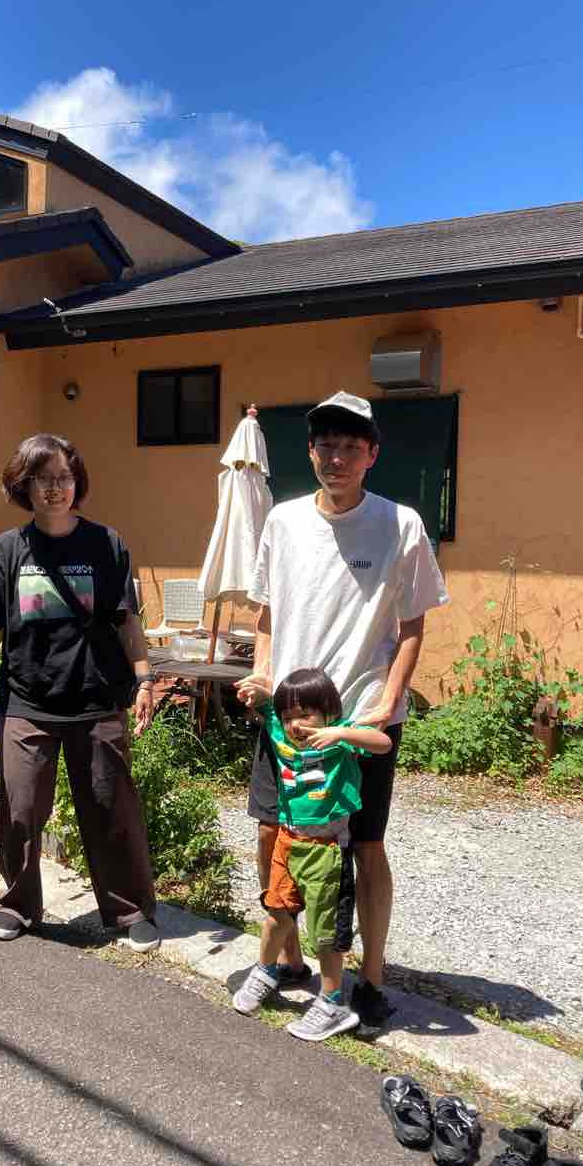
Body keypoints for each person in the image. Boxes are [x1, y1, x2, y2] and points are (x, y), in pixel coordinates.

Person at [243, 391, 448, 1033]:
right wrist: (262, 671)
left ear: (371, 455)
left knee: (365, 845)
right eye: (325, 446)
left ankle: (372, 978)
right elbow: (267, 613)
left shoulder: (401, 524)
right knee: (274, 832)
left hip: (360, 716)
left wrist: (389, 698)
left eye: (350, 447)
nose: (336, 458)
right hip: (287, 717)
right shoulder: (283, 521)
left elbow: (412, 624)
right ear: (310, 452)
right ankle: (289, 960)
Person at [0, 433, 160, 951]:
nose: (55, 488)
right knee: (20, 810)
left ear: (77, 482)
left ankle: (130, 910)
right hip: (28, 702)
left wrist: (144, 679)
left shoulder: (106, 544)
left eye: (64, 477)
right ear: (24, 486)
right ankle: (18, 904)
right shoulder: (7, 551)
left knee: (111, 807)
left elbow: (126, 619)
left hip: (96, 699)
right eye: (43, 479)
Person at [233, 667, 392, 1042]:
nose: (296, 724)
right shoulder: (281, 733)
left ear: (328, 714)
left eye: (306, 715)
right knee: (276, 914)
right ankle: (265, 971)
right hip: (288, 843)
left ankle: (333, 1002)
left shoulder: (340, 740)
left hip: (327, 852)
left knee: (325, 933)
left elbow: (382, 743)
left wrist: (341, 733)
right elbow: (269, 709)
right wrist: (256, 694)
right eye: (289, 717)